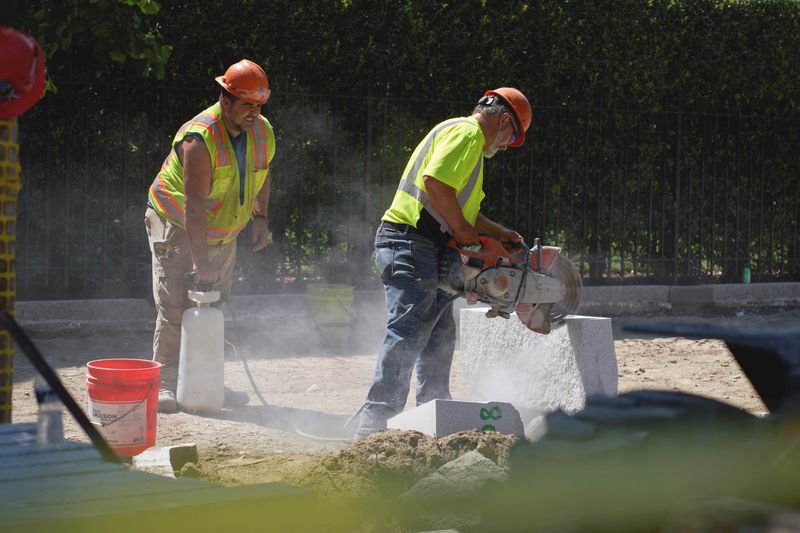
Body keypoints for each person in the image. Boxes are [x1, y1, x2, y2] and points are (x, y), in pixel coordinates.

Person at [354, 88, 533, 438]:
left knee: (439, 332)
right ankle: (373, 427)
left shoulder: (469, 147)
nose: (506, 144)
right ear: (504, 120)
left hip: (426, 243)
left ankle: (434, 416)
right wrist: (464, 232)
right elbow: (435, 184)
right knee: (409, 327)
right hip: (409, 240)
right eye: (511, 136)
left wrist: (500, 233)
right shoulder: (467, 133)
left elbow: (464, 209)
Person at [145, 59, 275, 413]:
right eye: (247, 104)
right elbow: (194, 206)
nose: (254, 113)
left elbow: (263, 173)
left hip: (222, 231)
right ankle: (166, 385)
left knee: (213, 306)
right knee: (175, 306)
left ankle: (204, 383)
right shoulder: (199, 139)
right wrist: (201, 262)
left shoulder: (262, 131)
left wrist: (260, 218)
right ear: (226, 99)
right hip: (176, 224)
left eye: (259, 105)